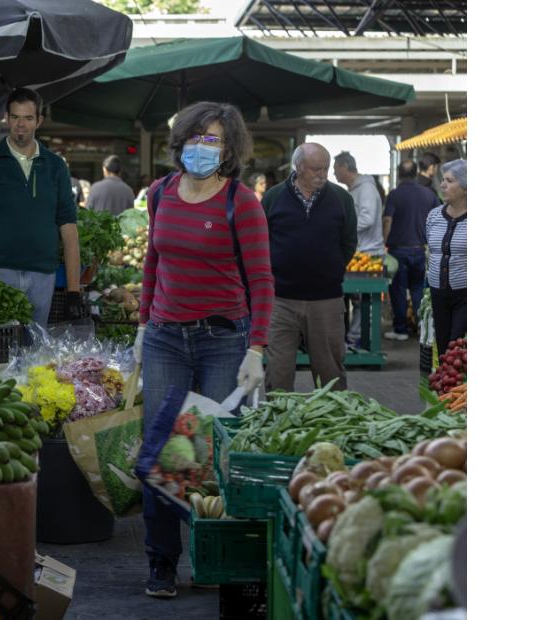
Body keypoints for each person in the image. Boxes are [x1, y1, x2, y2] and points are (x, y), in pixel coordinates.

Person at [133, 101, 274, 599]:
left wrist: (256, 348)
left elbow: (261, 281)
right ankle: (162, 561)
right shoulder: (160, 194)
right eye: (196, 137)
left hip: (223, 340)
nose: (202, 147)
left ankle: (219, 554)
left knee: (215, 454)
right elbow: (153, 261)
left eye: (213, 140)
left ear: (230, 149)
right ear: (180, 143)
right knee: (163, 452)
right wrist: (145, 323)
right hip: (166, 338)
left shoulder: (241, 202)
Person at [0, 88, 84, 326]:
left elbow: (69, 229)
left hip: (42, 277)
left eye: (28, 118)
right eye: (15, 117)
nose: (21, 124)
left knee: (36, 357)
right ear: (6, 118)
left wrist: (74, 291)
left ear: (39, 121)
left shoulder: (55, 166)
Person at [263, 143, 358, 392]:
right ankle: (279, 423)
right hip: (281, 300)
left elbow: (349, 242)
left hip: (326, 300)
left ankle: (333, 423)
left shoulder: (341, 198)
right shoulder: (273, 197)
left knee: (330, 371)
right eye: (316, 169)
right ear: (299, 167)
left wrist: (331, 268)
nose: (323, 174)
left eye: (326, 168)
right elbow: (262, 241)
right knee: (278, 369)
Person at [382, 160, 439, 341]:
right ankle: (423, 328)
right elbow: (439, 217)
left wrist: (383, 243)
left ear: (398, 174)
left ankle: (401, 330)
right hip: (420, 250)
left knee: (398, 291)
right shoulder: (428, 194)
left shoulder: (395, 195)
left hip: (398, 251)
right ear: (416, 174)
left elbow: (387, 221)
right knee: (418, 291)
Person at [333, 151, 384, 347]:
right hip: (359, 252)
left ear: (346, 167)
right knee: (357, 300)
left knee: (365, 301)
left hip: (369, 254)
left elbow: (367, 219)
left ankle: (360, 340)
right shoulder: (355, 190)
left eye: (336, 169)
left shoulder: (366, 190)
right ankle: (354, 338)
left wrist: (343, 229)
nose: (335, 174)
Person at [426, 159, 467, 359]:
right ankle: (445, 389)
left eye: (450, 181)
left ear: (466, 187)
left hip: (465, 294)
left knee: (455, 345)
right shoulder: (434, 216)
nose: (443, 185)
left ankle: (458, 388)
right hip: (437, 292)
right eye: (443, 180)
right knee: (442, 346)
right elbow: (431, 252)